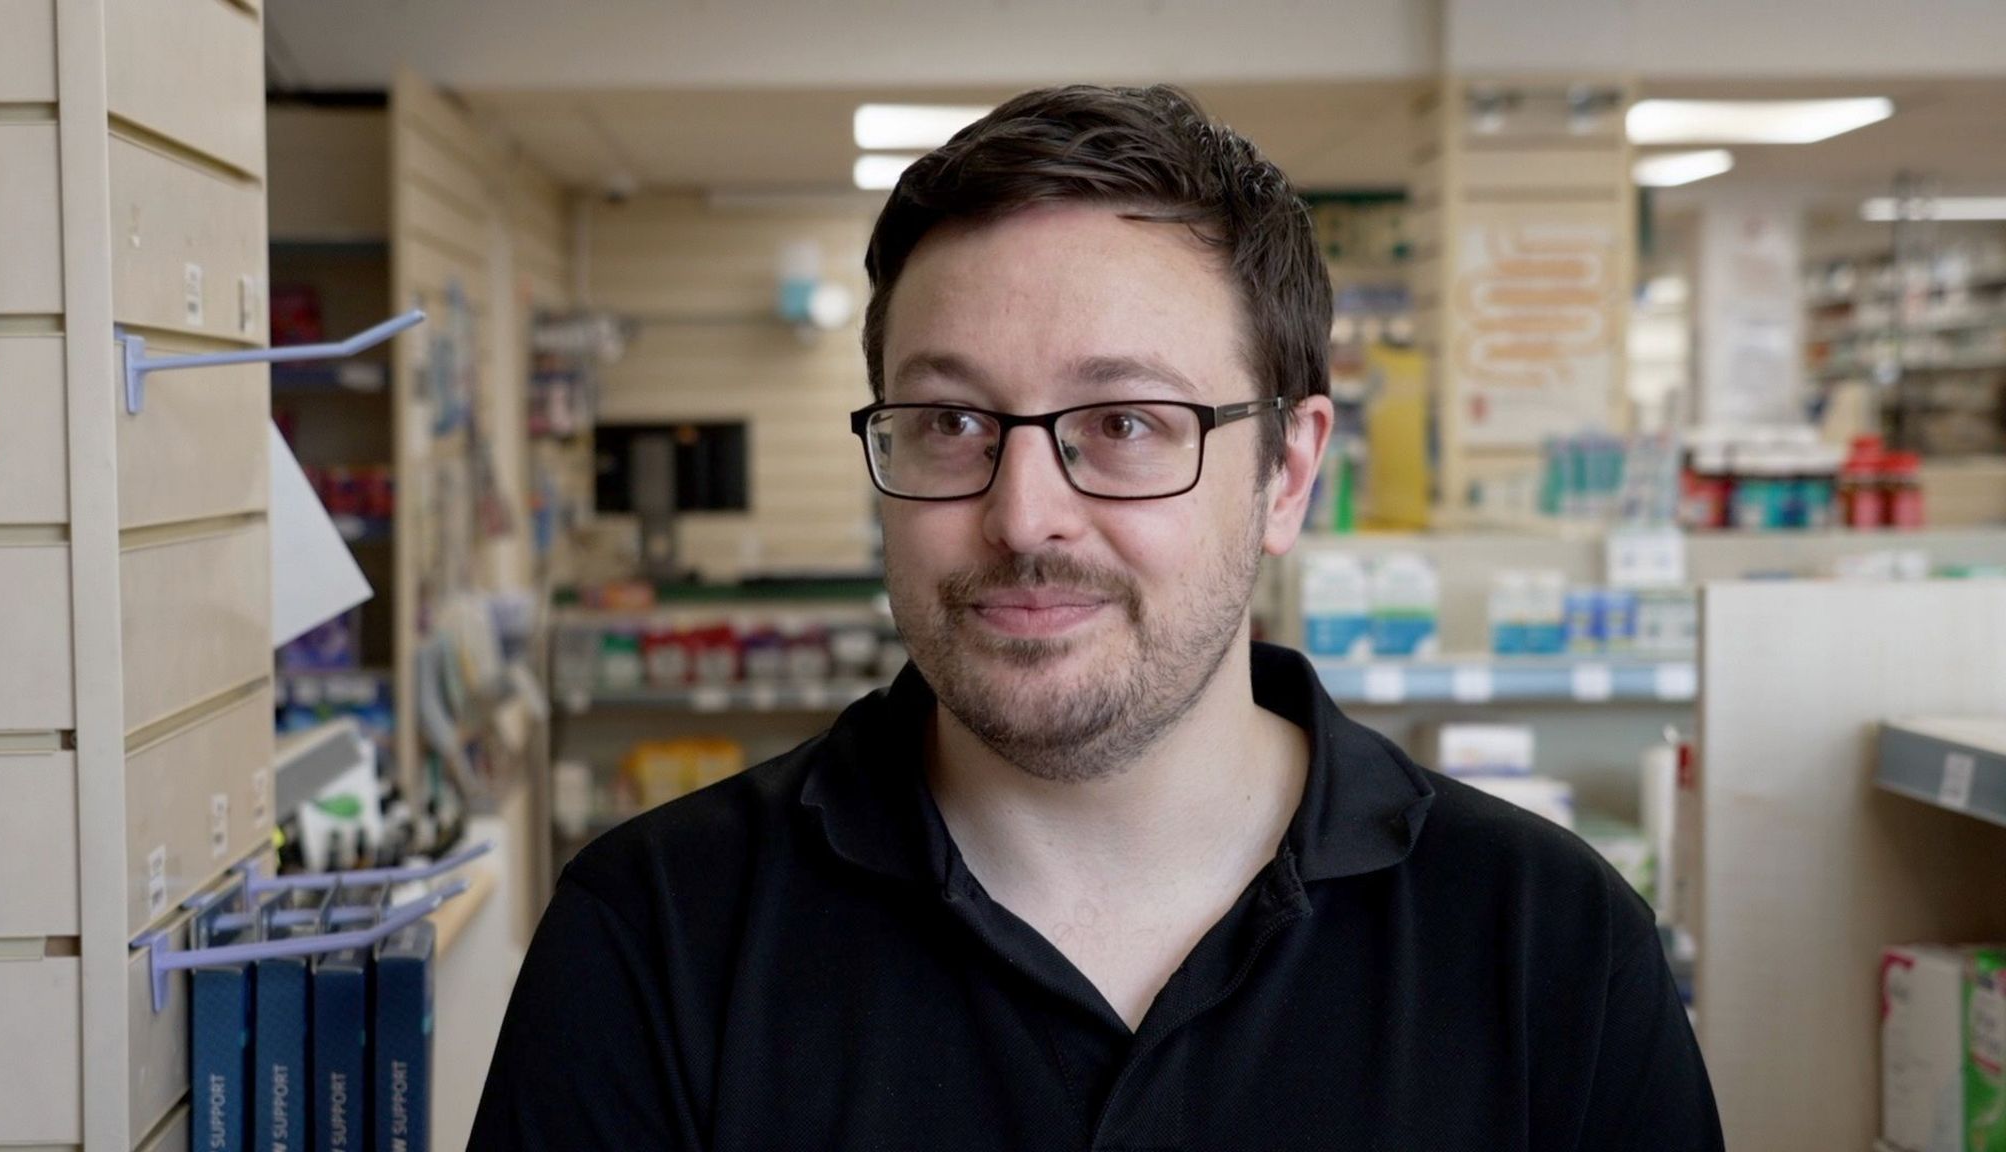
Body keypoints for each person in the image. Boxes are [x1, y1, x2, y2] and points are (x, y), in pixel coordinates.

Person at [469, 84, 1725, 1151]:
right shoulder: (651, 940)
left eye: (1123, 425)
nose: (1023, 516)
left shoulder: (1548, 949)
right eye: (952, 423)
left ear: (1286, 472)